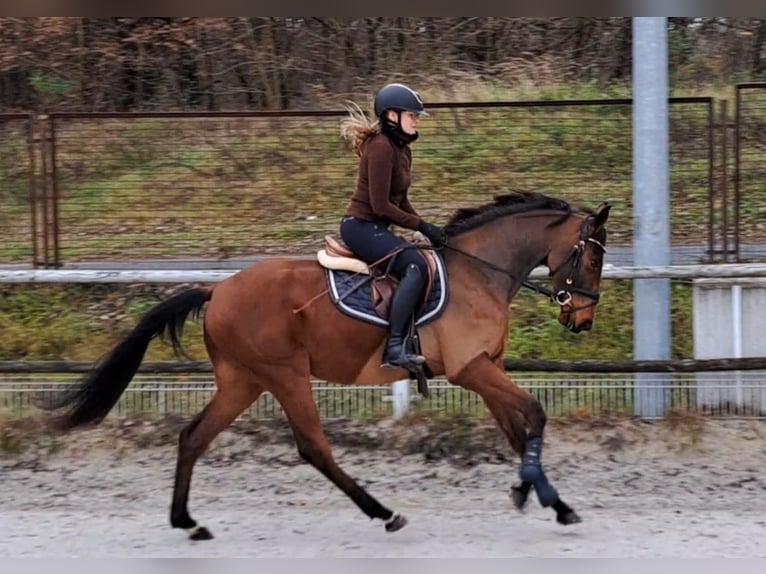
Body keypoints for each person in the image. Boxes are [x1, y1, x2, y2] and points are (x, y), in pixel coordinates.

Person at [339, 82, 445, 370]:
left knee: (422, 259)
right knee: (415, 266)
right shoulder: (381, 149)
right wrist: (421, 224)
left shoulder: (401, 150)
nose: (417, 120)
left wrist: (428, 228)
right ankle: (395, 347)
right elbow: (381, 206)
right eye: (412, 115)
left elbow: (401, 200)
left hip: (376, 227)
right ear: (391, 116)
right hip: (360, 226)